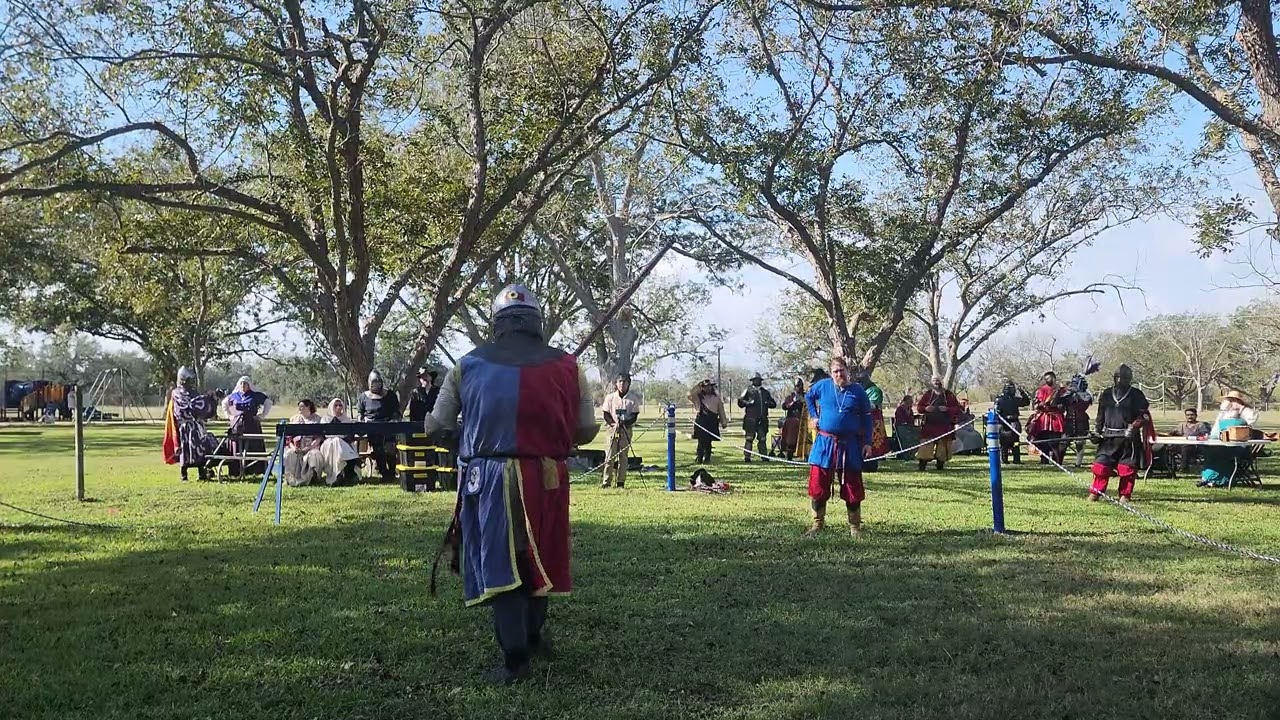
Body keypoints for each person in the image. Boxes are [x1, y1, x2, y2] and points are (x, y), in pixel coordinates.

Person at [424, 283, 598, 685]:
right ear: (537, 322)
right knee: (538, 557)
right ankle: (533, 638)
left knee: (503, 562)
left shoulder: (466, 365)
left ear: (497, 323)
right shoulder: (569, 367)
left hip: (489, 478)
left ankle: (516, 659)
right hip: (547, 476)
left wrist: (466, 436)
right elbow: (586, 429)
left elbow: (436, 425)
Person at [804, 357, 873, 537]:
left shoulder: (857, 391)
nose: (838, 374)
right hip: (825, 444)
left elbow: (867, 418)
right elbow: (809, 397)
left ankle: (855, 528)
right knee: (818, 484)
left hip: (849, 444)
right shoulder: (823, 386)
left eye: (841, 370)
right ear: (831, 373)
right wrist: (814, 416)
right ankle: (817, 525)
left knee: (852, 485)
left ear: (847, 371)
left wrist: (867, 442)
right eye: (835, 371)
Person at [1089, 365, 1154, 502]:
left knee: (1127, 469)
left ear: (1129, 379)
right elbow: (1100, 415)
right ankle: (1096, 492)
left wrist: (1134, 426)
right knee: (1101, 466)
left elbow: (1144, 416)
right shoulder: (1106, 394)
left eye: (1123, 378)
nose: (1120, 380)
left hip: (1128, 439)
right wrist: (1096, 431)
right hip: (1108, 438)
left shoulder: (1136, 395)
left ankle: (1125, 495)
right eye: (1117, 377)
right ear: (1114, 378)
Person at [164, 367, 218, 481]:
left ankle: (201, 473)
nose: (191, 382)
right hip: (184, 427)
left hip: (196, 426)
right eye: (189, 379)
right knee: (185, 449)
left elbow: (200, 405)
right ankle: (184, 473)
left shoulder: (194, 393)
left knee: (200, 449)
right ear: (183, 379)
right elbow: (182, 409)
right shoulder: (176, 393)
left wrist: (211, 398)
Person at [1199, 391, 1259, 488]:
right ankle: (1208, 479)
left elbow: (1252, 419)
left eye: (1231, 400)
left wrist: (1240, 407)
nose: (1229, 402)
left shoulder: (1245, 411)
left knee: (1218, 453)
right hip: (1221, 444)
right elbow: (1215, 430)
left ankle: (1219, 480)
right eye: (1228, 399)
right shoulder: (1223, 414)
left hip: (1239, 448)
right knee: (1209, 451)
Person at [357, 369, 402, 482]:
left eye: (378, 382)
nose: (377, 385)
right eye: (374, 383)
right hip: (372, 428)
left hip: (388, 427)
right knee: (378, 449)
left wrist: (394, 420)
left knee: (390, 447)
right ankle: (383, 472)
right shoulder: (363, 397)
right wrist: (362, 420)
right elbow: (360, 413)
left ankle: (392, 472)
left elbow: (397, 412)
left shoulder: (390, 395)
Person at [221, 376, 273, 473]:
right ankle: (236, 470)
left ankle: (255, 470)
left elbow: (268, 402)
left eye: (245, 384)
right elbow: (224, 403)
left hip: (252, 425)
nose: (243, 386)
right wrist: (229, 416)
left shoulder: (255, 395)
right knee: (236, 446)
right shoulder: (234, 395)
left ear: (249, 385)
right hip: (237, 425)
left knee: (253, 445)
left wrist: (261, 416)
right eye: (241, 384)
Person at [600, 372, 639, 488]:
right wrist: (613, 424)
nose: (622, 384)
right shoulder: (610, 398)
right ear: (616, 383)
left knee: (623, 457)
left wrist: (625, 424)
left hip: (626, 431)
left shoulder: (633, 399)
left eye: (625, 381)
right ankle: (606, 482)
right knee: (610, 456)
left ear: (629, 383)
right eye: (620, 381)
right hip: (612, 430)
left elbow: (634, 415)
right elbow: (605, 413)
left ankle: (620, 482)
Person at [915, 376, 961, 471]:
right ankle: (922, 465)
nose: (936, 382)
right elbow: (919, 408)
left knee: (943, 447)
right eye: (934, 381)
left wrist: (947, 409)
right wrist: (925, 409)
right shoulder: (928, 394)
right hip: (929, 425)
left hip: (944, 426)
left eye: (938, 381)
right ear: (931, 382)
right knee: (926, 446)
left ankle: (940, 465)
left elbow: (957, 408)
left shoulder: (948, 395)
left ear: (941, 382)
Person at [853, 368, 890, 471]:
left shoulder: (875, 390)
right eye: (858, 380)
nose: (859, 382)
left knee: (873, 443)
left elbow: (872, 405)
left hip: (874, 422)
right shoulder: (858, 389)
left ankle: (871, 466)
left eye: (862, 379)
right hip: (861, 421)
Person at [1028, 371, 1068, 464]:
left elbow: (1065, 403)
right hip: (1044, 417)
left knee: (1055, 440)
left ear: (1054, 378)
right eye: (1045, 379)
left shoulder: (1061, 390)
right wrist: (1039, 405)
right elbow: (1037, 403)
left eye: (1049, 378)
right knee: (1042, 438)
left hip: (1056, 417)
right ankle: (1044, 459)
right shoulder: (1041, 390)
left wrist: (1059, 406)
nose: (1046, 380)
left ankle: (1056, 460)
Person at [319, 398, 362, 486]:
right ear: (331, 407)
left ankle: (341, 475)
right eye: (336, 405)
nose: (338, 407)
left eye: (340, 405)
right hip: (328, 445)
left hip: (344, 444)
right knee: (335, 442)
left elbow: (349, 436)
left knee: (337, 441)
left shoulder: (346, 419)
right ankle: (337, 475)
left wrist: (339, 438)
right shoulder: (325, 419)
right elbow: (325, 435)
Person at [284, 399, 325, 487]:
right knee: (289, 454)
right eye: (299, 407)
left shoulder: (317, 419)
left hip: (311, 447)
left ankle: (312, 478)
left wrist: (309, 448)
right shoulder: (295, 419)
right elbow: (289, 438)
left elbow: (319, 437)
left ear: (308, 407)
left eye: (302, 406)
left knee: (315, 455)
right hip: (296, 447)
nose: (300, 408)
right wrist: (293, 448)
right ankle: (290, 479)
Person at [737, 373, 777, 462]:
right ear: (753, 381)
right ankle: (747, 457)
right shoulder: (748, 390)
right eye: (756, 380)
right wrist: (748, 403)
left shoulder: (765, 392)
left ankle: (764, 456)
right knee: (749, 438)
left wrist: (768, 403)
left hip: (762, 419)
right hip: (751, 419)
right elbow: (740, 402)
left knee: (762, 438)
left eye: (759, 380)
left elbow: (773, 404)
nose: (757, 381)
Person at [689, 379, 728, 464]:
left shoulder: (717, 398)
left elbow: (721, 410)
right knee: (701, 441)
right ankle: (699, 458)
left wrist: (723, 422)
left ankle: (707, 458)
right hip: (701, 420)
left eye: (709, 386)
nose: (708, 388)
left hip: (712, 421)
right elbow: (689, 394)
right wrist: (698, 385)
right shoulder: (697, 397)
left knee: (708, 441)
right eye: (705, 387)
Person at [993, 381, 1031, 465]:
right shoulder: (1000, 399)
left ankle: (1016, 459)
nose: (1014, 390)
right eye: (1012, 388)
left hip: (1014, 422)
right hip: (1004, 423)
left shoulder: (1014, 399)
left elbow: (1026, 402)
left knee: (1016, 442)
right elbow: (997, 412)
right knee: (1004, 443)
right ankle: (1004, 459)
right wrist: (1005, 418)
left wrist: (1022, 392)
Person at [1062, 375, 1094, 467]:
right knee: (1064, 441)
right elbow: (1060, 400)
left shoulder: (1086, 394)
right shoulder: (1068, 394)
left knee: (1080, 442)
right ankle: (1059, 461)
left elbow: (1086, 400)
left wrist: (1078, 393)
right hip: (1069, 420)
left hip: (1081, 421)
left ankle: (1078, 463)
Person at [1167, 407, 1211, 472]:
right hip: (1181, 445)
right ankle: (1170, 467)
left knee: (1186, 447)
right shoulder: (1182, 425)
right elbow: (1173, 433)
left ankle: (1184, 468)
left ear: (1196, 416)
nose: (1190, 417)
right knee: (1167, 448)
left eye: (1192, 415)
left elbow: (1206, 436)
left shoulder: (1200, 425)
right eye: (1188, 415)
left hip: (1195, 446)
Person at [779, 378, 808, 461]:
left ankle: (806, 456)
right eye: (797, 386)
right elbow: (784, 406)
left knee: (805, 439)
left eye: (800, 385)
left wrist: (804, 401)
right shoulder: (790, 397)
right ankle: (789, 457)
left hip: (804, 420)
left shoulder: (806, 396)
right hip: (792, 420)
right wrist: (793, 402)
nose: (799, 387)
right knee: (790, 440)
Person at [892, 393, 918, 459]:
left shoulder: (910, 410)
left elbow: (911, 420)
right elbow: (900, 420)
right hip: (901, 427)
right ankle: (905, 455)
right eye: (909, 401)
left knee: (917, 434)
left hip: (909, 427)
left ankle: (912, 453)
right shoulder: (900, 409)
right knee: (905, 438)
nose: (911, 403)